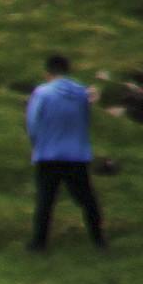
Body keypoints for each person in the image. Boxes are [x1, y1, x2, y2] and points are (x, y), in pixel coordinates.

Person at [27, 53, 107, 251]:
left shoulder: (42, 93)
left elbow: (33, 123)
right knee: (87, 200)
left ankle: (39, 244)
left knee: (45, 201)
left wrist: (37, 144)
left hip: (48, 155)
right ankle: (99, 240)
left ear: (48, 73)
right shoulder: (82, 93)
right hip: (77, 155)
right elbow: (85, 120)